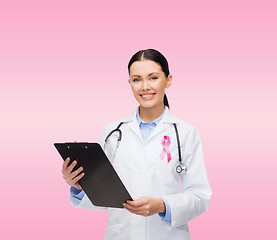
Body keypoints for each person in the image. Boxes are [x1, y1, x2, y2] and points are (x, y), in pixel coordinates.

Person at [62, 49, 212, 240]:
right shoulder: (112, 132)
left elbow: (200, 196)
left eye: (153, 78)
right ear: (130, 83)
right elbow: (104, 195)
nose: (145, 86)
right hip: (122, 233)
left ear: (168, 80)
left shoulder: (186, 133)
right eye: (137, 79)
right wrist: (79, 186)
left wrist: (162, 205)